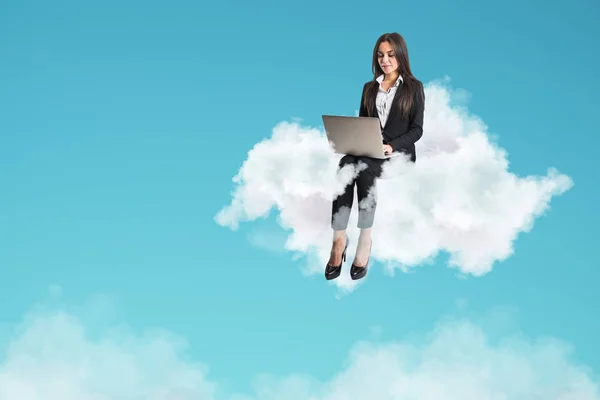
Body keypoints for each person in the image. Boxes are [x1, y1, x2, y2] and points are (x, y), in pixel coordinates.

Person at [325, 32, 425, 281]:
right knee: (346, 163)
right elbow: (363, 123)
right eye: (381, 55)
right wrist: (356, 141)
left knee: (363, 169)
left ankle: (365, 237)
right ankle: (339, 239)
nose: (385, 60)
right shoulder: (369, 88)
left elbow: (417, 130)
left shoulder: (414, 88)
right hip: (370, 150)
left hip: (397, 155)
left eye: (391, 55)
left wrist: (391, 146)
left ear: (400, 55)